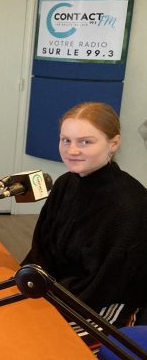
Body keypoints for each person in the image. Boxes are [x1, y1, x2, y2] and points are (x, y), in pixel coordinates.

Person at [22, 102, 147, 344]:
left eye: (85, 142)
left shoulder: (132, 204)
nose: (72, 150)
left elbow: (109, 284)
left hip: (102, 303)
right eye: (65, 140)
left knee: (39, 343)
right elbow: (42, 250)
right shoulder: (65, 184)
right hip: (61, 288)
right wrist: (30, 284)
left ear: (114, 143)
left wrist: (50, 307)